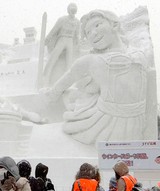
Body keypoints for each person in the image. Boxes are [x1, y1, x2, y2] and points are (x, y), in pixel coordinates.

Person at [42, 9, 149, 144]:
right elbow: (65, 81)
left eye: (97, 25)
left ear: (114, 25)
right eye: (88, 32)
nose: (93, 33)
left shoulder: (139, 56)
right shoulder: (89, 61)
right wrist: (51, 94)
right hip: (105, 124)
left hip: (130, 124)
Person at [43, 3, 80, 86]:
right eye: (71, 10)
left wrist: (78, 44)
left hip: (70, 41)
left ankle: (68, 82)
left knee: (69, 62)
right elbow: (54, 29)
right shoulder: (62, 19)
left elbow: (77, 35)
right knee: (53, 57)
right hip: (62, 39)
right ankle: (46, 78)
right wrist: (48, 38)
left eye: (74, 10)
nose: (72, 12)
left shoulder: (77, 22)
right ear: (68, 10)